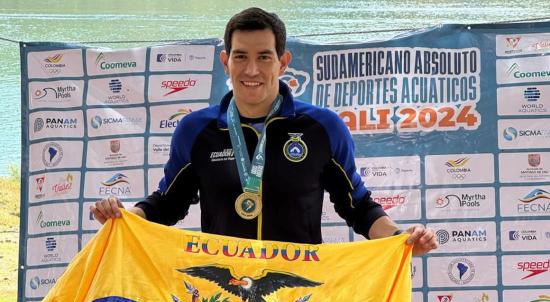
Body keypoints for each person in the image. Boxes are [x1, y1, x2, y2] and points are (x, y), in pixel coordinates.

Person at [92, 7, 437, 257]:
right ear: (225, 61)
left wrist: (400, 237)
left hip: (298, 289)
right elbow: (167, 204)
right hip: (222, 287)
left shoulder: (322, 128)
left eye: (264, 57)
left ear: (283, 62)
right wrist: (125, 216)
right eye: (240, 57)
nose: (251, 69)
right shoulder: (196, 130)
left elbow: (358, 207)